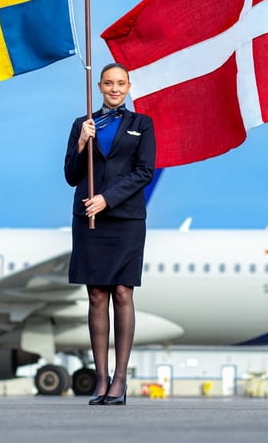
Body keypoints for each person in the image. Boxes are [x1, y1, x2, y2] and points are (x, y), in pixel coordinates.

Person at [64, 63, 156, 406]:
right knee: (96, 295)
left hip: (125, 217)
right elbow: (71, 175)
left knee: (122, 291)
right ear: (100, 86)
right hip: (89, 217)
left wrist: (108, 198)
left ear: (128, 87)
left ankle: (120, 379)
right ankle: (100, 379)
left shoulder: (141, 124)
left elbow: (144, 171)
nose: (114, 89)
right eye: (108, 83)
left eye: (120, 83)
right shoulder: (82, 124)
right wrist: (81, 143)